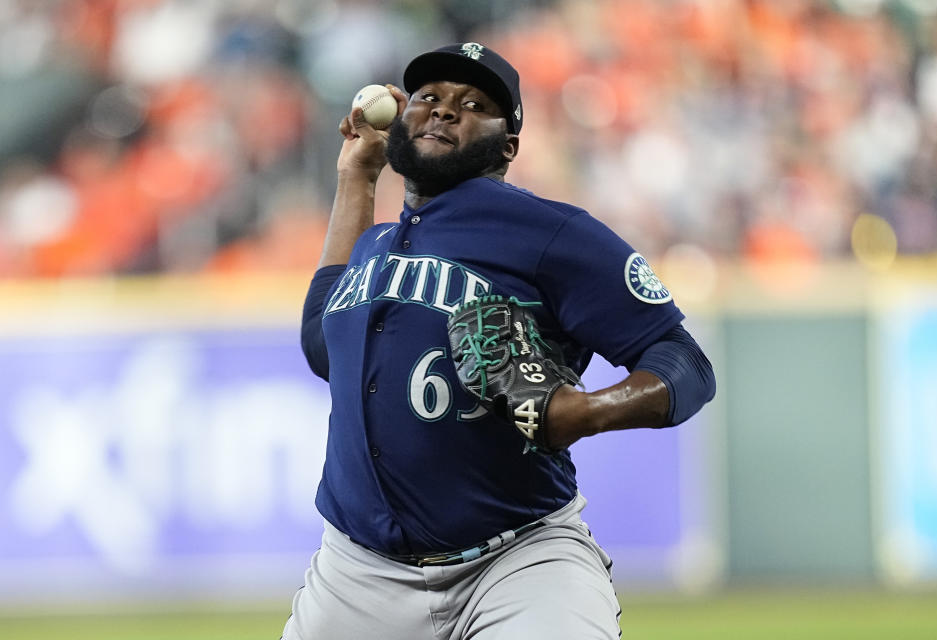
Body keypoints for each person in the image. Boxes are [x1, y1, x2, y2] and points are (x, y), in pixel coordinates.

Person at [286, 42, 716, 640]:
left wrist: (586, 411)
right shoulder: (377, 244)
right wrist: (356, 177)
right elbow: (321, 345)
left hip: (518, 562)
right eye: (429, 98)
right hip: (358, 573)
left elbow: (686, 363)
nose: (443, 110)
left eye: (473, 104)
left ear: (507, 146)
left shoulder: (551, 232)